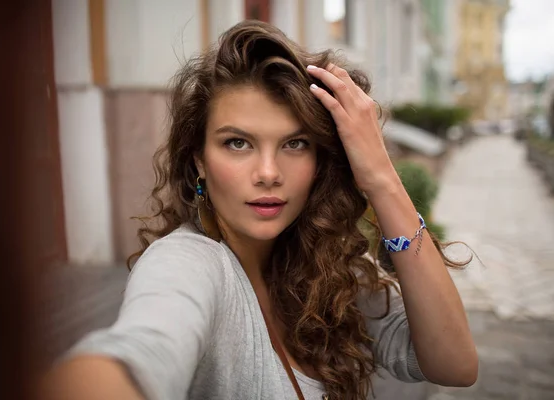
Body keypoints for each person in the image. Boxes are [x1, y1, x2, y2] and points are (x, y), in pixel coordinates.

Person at [43, 20, 477, 400]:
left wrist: (381, 177)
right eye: (238, 143)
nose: (268, 173)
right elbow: (142, 349)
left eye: (294, 144)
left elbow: (453, 365)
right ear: (198, 159)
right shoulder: (189, 265)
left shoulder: (327, 270)